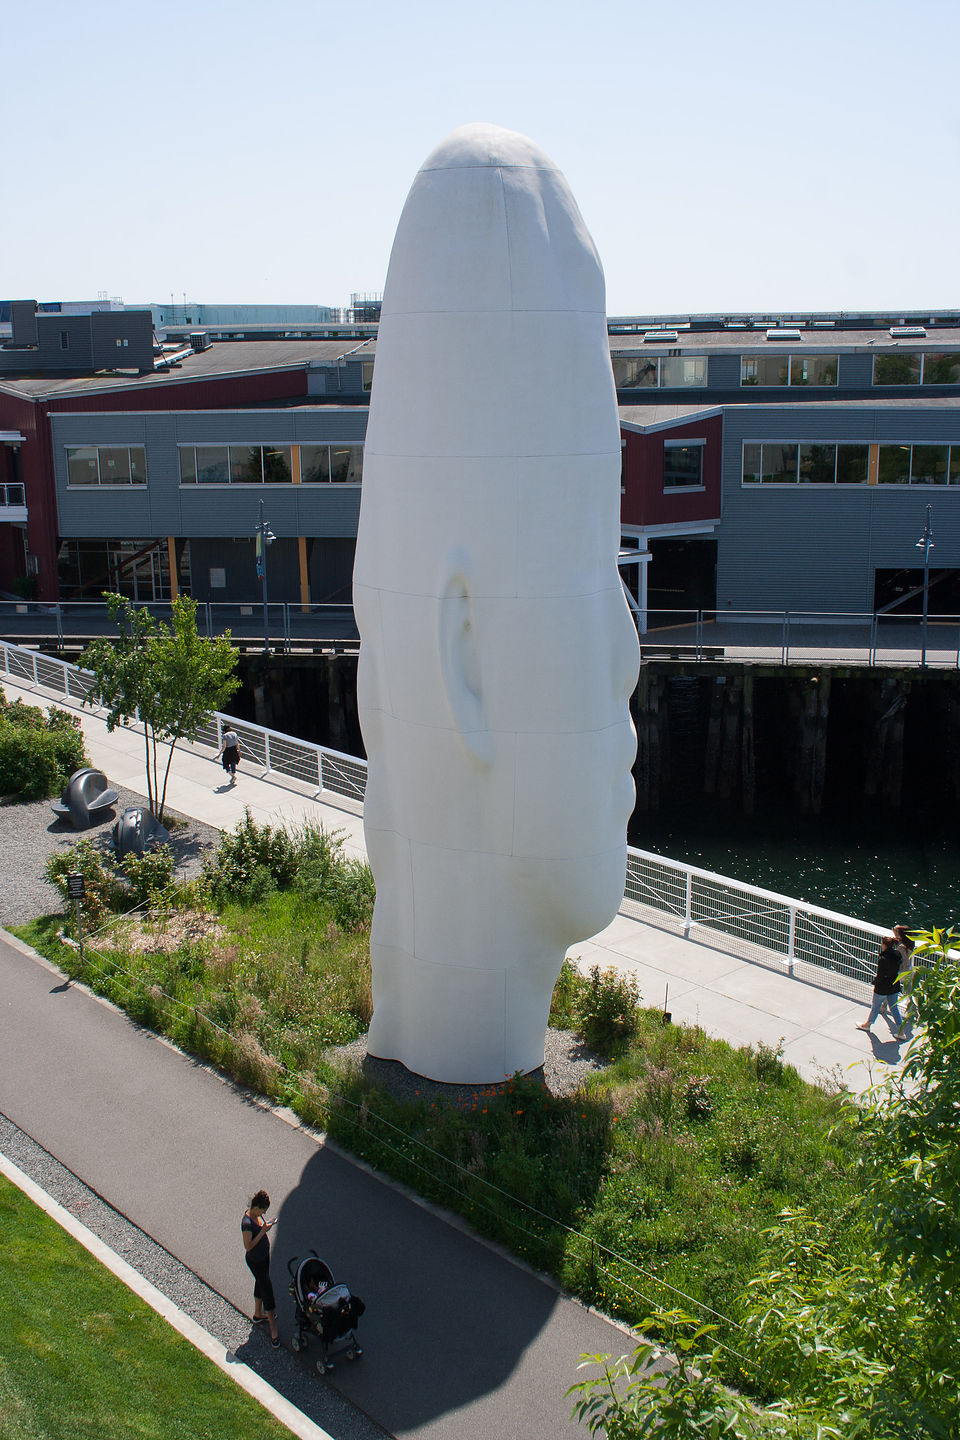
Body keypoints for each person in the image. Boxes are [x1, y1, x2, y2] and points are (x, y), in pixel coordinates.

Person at [241, 1189, 279, 1345]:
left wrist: (265, 1226)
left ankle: (258, 1314)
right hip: (256, 1260)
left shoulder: (257, 1216)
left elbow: (261, 1228)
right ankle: (273, 1329)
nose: (264, 1213)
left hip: (264, 1257)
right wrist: (264, 1231)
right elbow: (248, 1246)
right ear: (256, 1207)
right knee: (267, 1290)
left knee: (260, 1283)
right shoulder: (247, 1223)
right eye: (263, 1210)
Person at [856, 935, 904, 1035]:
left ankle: (868, 1024)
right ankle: (901, 1031)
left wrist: (874, 982)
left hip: (882, 987)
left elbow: (881, 975)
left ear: (884, 945)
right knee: (894, 1008)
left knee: (875, 1007)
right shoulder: (898, 954)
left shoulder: (883, 959)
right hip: (894, 986)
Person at [892, 922, 916, 1032]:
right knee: (909, 992)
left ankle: (883, 1005)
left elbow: (900, 960)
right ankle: (912, 1011)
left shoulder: (901, 948)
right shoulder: (911, 944)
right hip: (910, 972)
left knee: (891, 989)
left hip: (901, 972)